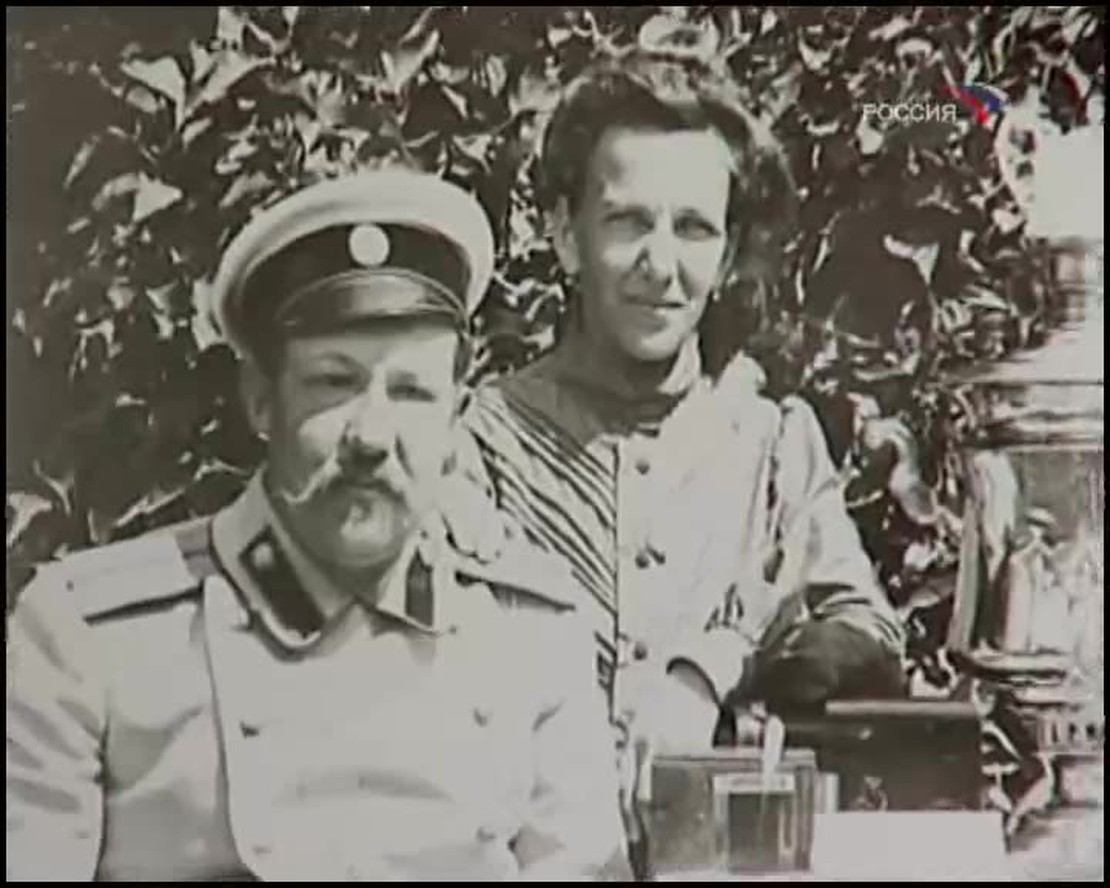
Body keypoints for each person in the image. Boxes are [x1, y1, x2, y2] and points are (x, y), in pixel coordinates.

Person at [6, 169, 629, 881]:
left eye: (412, 391)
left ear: (456, 414)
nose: (372, 435)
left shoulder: (532, 637)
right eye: (334, 383)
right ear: (260, 401)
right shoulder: (94, 640)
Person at [461, 47, 908, 792]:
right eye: (628, 222)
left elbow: (869, 635)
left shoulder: (773, 448)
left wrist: (718, 663)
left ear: (728, 254)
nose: (662, 265)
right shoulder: (482, 445)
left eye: (694, 228)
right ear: (566, 234)